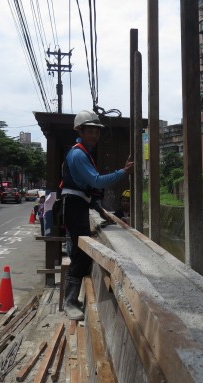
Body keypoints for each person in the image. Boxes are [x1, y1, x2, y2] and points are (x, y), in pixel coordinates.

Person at [61, 109, 134, 320]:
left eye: (97, 132)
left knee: (81, 251)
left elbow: (87, 192)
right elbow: (96, 182)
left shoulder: (83, 153)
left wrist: (102, 212)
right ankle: (70, 302)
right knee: (80, 254)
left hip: (78, 205)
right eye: (90, 131)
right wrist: (122, 172)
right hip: (74, 207)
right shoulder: (78, 154)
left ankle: (72, 300)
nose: (95, 135)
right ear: (80, 131)